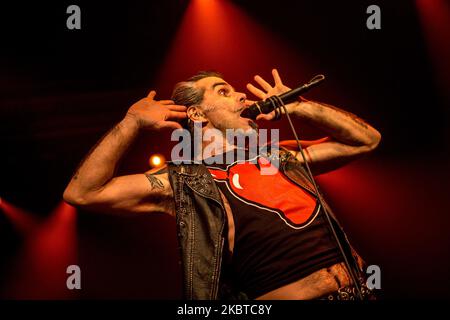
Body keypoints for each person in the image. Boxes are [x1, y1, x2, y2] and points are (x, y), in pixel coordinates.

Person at [63, 69, 381, 300]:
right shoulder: (182, 181)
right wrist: (131, 123)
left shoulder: (277, 155)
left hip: (361, 290)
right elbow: (83, 193)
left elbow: (365, 141)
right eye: (223, 91)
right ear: (197, 113)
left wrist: (298, 106)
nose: (242, 95)